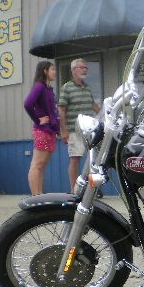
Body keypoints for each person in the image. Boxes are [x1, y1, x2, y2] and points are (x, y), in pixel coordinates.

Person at [58, 58, 101, 193]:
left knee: (93, 160)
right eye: (82, 67)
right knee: (75, 159)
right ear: (73, 70)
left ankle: (92, 189)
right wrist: (64, 131)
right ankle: (74, 190)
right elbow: (61, 110)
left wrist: (105, 114)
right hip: (74, 131)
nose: (85, 70)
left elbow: (93, 106)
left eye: (85, 68)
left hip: (89, 131)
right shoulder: (66, 88)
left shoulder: (87, 87)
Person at [24, 61, 59, 195]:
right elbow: (28, 104)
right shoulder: (39, 86)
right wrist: (38, 120)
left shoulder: (47, 89)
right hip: (43, 130)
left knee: (42, 166)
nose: (55, 72)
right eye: (52, 69)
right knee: (37, 165)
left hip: (50, 130)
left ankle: (39, 194)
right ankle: (35, 196)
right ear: (45, 71)